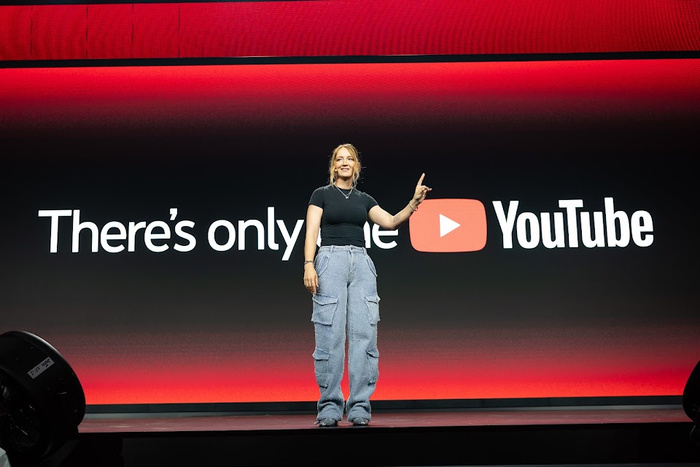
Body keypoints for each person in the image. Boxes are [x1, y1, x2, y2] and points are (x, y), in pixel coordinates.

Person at [303, 143, 431, 427]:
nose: (344, 163)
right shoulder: (321, 194)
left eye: (349, 159)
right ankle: (329, 407)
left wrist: (413, 203)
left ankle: (359, 406)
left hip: (361, 264)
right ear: (333, 166)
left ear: (356, 166)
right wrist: (309, 264)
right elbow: (311, 231)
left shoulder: (365, 199)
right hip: (330, 261)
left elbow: (391, 222)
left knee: (364, 336)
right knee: (330, 336)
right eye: (339, 159)